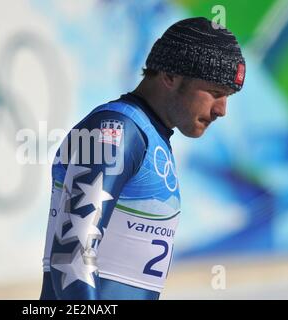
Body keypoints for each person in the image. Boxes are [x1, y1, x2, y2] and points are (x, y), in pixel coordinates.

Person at [39, 17, 245, 300]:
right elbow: (71, 256)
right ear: (170, 76)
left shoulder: (149, 135)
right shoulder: (116, 132)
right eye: (215, 92)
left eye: (228, 96)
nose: (222, 110)